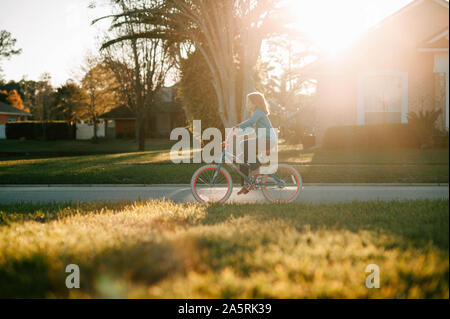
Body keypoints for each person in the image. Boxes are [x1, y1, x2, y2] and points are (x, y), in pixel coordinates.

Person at [234, 92, 277, 195]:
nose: (247, 104)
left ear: (255, 103)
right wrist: (238, 133)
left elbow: (250, 121)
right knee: (242, 158)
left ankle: (256, 168)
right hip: (265, 140)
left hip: (268, 140)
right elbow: (251, 128)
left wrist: (238, 126)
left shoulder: (259, 112)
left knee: (244, 144)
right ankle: (246, 185)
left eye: (248, 102)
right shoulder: (257, 113)